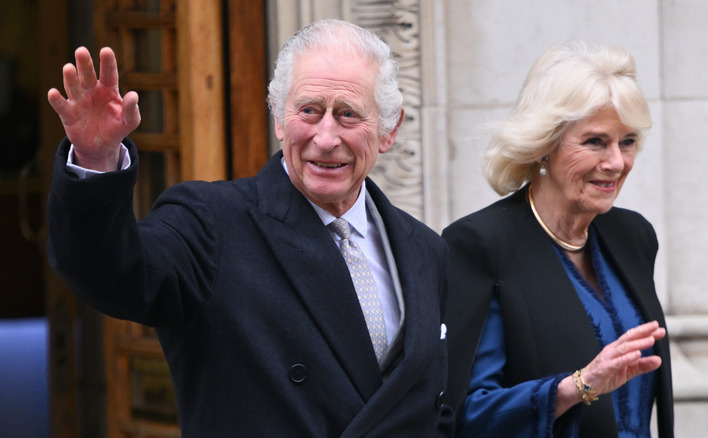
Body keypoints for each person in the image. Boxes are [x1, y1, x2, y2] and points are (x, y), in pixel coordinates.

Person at [47, 19, 452, 437]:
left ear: (389, 130)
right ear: (279, 120)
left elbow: (435, 407)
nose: (326, 137)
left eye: (348, 115)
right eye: (309, 110)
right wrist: (96, 163)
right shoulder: (210, 222)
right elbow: (112, 273)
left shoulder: (425, 250)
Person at [443, 41, 674, 437]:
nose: (616, 162)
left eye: (628, 141)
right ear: (544, 145)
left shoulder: (633, 235)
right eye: (595, 141)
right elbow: (468, 413)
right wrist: (578, 386)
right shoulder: (480, 244)